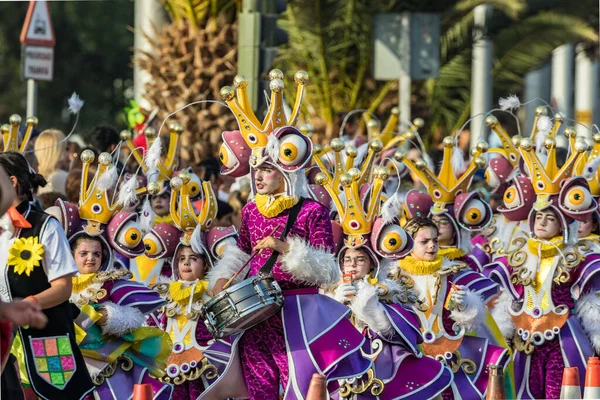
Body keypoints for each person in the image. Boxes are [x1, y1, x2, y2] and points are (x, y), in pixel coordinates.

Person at [208, 71, 371, 400]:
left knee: (300, 383)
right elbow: (240, 251)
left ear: (284, 171)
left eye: (267, 170)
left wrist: (286, 248)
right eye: (257, 171)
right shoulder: (252, 211)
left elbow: (327, 269)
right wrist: (223, 278)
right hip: (255, 311)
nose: (260, 177)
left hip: (298, 311)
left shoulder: (311, 210)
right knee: (258, 386)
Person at [485, 137, 600, 399]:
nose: (542, 223)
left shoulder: (577, 257)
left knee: (561, 391)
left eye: (550, 218)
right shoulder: (517, 254)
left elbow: (589, 303)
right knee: (525, 391)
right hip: (524, 341)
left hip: (563, 340)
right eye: (539, 217)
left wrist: (596, 337)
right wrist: (502, 335)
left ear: (562, 224)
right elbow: (508, 299)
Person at [0, 151, 94, 399]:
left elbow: (63, 288)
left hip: (43, 340)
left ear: (11, 183)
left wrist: (27, 306)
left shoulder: (46, 226)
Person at [395, 217, 509, 399]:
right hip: (413, 357)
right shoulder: (394, 278)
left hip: (449, 355)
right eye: (424, 241)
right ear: (409, 243)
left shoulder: (452, 273)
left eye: (435, 240)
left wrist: (465, 305)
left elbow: (472, 320)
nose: (431, 246)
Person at [69, 232, 172, 400]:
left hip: (107, 360)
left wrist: (106, 316)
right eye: (84, 253)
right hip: (71, 360)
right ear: (72, 255)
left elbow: (133, 318)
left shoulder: (109, 283)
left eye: (97, 254)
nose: (91, 258)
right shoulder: (60, 285)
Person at [34, 129, 69, 196]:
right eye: (66, 149)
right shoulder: (62, 177)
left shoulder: (33, 174)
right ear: (57, 152)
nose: (67, 154)